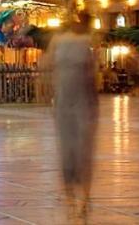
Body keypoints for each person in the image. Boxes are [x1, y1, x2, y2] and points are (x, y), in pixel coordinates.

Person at [44, 15, 99, 212]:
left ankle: (81, 199)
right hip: (69, 104)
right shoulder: (72, 42)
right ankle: (77, 199)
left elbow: (47, 68)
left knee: (79, 152)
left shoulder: (82, 43)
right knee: (72, 152)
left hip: (77, 103)